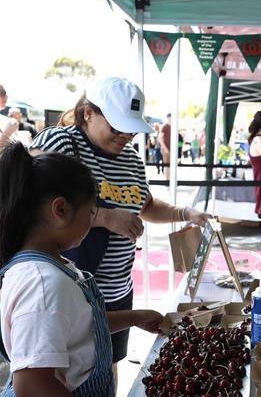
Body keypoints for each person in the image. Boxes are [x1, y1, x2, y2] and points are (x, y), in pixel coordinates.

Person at [0, 143, 165, 397]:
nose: (92, 224)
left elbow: (76, 327)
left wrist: (134, 317)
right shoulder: (42, 283)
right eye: (91, 215)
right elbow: (32, 384)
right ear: (60, 210)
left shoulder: (54, 266)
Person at [31, 78, 209, 369]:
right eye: (116, 127)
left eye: (131, 129)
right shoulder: (62, 142)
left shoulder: (132, 159)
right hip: (69, 289)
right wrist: (104, 217)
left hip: (117, 290)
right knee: (70, 370)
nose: (125, 135)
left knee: (108, 366)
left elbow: (146, 206)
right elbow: (30, 196)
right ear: (89, 112)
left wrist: (185, 214)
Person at [157, 113, 172, 179]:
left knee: (170, 165)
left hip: (171, 148)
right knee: (167, 165)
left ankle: (170, 179)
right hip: (165, 149)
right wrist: (165, 148)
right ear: (168, 118)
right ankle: (167, 180)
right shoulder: (165, 126)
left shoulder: (172, 126)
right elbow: (159, 138)